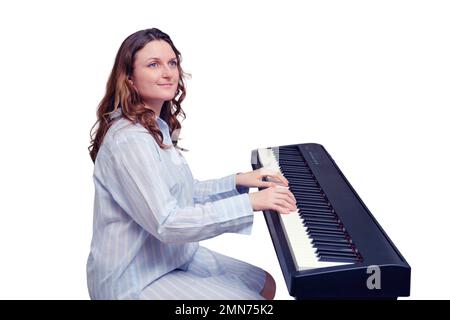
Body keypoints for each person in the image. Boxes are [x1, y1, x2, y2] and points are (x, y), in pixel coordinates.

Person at [86, 28, 297, 300]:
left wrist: (238, 181)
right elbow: (167, 222)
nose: (168, 73)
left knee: (264, 283)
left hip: (172, 257)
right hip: (133, 279)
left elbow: (180, 193)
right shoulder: (129, 141)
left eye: (172, 63)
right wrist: (251, 203)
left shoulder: (154, 125)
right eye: (153, 65)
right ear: (129, 78)